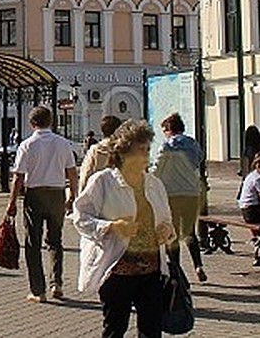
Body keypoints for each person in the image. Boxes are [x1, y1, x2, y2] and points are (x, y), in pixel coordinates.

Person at [73, 120, 175, 338]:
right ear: (124, 151)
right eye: (140, 150)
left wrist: (166, 230)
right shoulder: (103, 182)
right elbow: (80, 218)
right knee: (115, 329)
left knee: (151, 331)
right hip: (117, 272)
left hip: (152, 272)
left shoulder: (154, 184)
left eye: (148, 149)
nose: (145, 156)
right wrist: (111, 227)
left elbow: (167, 220)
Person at [6, 105, 79, 302]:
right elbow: (72, 171)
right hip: (57, 194)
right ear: (51, 122)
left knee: (33, 243)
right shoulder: (63, 143)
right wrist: (73, 194)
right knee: (55, 241)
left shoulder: (27, 144)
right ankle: (57, 283)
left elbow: (18, 176)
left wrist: (12, 202)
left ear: (32, 124)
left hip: (35, 195)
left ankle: (39, 290)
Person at [152, 113, 206, 283]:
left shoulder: (167, 146)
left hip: (172, 195)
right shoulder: (193, 144)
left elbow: (158, 168)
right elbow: (199, 161)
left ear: (169, 130)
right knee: (189, 232)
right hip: (191, 194)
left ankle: (176, 269)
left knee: (172, 233)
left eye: (164, 131)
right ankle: (198, 266)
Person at [79, 115, 122, 190]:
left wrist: (81, 193)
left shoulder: (96, 149)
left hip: (98, 191)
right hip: (119, 192)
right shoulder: (125, 149)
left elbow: (86, 173)